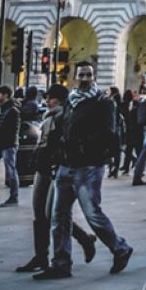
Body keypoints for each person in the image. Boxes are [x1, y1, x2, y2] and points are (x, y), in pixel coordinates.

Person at [35, 62, 133, 279]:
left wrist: (83, 144)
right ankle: (60, 263)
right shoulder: (71, 100)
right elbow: (64, 128)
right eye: (81, 74)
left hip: (89, 166)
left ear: (93, 76)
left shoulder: (102, 102)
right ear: (75, 77)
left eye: (89, 74)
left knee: (92, 214)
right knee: (58, 216)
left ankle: (120, 248)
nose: (85, 78)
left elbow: (108, 132)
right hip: (66, 165)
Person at [17, 83, 98, 273]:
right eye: (46, 98)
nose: (47, 101)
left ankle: (84, 239)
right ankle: (40, 257)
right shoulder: (47, 117)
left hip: (57, 169)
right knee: (38, 212)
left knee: (51, 214)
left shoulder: (66, 117)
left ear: (61, 99)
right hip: (42, 168)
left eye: (51, 98)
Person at [0, 85, 21, 205]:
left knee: (11, 171)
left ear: (6, 95)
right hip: (0, 144)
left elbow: (9, 129)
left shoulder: (12, 110)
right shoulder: (3, 108)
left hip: (8, 145)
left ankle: (14, 197)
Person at [119, 89, 140, 173]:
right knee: (129, 148)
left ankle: (128, 165)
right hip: (131, 129)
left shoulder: (125, 104)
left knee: (128, 147)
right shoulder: (132, 104)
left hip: (128, 129)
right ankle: (128, 164)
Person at [107, 86, 126, 179]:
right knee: (117, 152)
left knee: (110, 151)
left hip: (113, 129)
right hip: (118, 129)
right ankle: (115, 170)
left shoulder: (112, 102)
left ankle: (112, 169)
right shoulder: (121, 102)